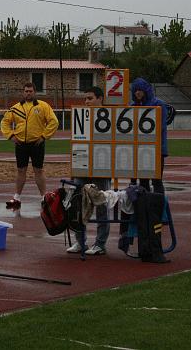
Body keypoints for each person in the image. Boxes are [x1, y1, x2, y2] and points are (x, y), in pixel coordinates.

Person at [66, 86, 111, 255]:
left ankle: (100, 244)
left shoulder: (109, 118)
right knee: (77, 203)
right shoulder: (81, 117)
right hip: (82, 167)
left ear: (100, 98)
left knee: (101, 205)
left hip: (101, 168)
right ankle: (80, 242)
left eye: (90, 98)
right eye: (85, 99)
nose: (86, 102)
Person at [0, 82, 59, 210]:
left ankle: (43, 197)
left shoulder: (43, 106)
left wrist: (44, 136)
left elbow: (54, 121)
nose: (28, 93)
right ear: (23, 92)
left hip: (37, 143)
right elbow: (5, 122)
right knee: (21, 170)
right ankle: (17, 197)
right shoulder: (15, 108)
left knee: (39, 170)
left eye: (30, 91)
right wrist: (11, 136)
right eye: (26, 91)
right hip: (21, 144)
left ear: (35, 92)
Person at [130, 77, 176, 194]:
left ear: (146, 90)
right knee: (143, 180)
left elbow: (161, 126)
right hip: (140, 148)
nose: (137, 93)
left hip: (157, 148)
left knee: (157, 180)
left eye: (140, 90)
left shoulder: (159, 104)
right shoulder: (133, 106)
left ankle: (158, 207)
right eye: (135, 90)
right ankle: (144, 207)